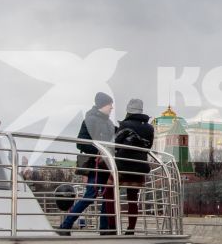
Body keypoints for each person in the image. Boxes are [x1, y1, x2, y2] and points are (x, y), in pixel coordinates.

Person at [59, 93, 117, 236]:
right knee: (91, 195)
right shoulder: (90, 120)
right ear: (103, 104)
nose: (112, 107)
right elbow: (81, 142)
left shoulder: (109, 123)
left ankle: (104, 229)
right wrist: (99, 151)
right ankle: (66, 225)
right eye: (110, 104)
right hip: (95, 164)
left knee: (107, 195)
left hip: (107, 164)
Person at [113, 100, 156, 235]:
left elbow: (116, 144)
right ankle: (130, 229)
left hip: (123, 165)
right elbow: (148, 147)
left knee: (110, 194)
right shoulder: (150, 128)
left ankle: (111, 227)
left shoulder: (124, 124)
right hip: (140, 166)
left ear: (128, 111)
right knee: (133, 199)